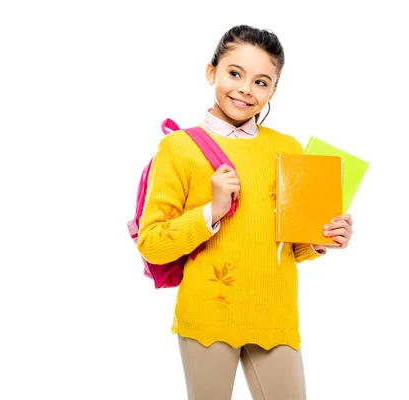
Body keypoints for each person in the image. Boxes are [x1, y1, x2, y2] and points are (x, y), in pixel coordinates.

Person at [136, 24, 354, 400]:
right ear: (211, 72)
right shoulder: (178, 147)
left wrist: (324, 238)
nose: (245, 89)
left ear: (273, 90)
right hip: (209, 315)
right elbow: (151, 243)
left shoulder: (288, 147)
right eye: (235, 73)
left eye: (261, 81)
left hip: (276, 314)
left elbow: (291, 244)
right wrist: (212, 210)